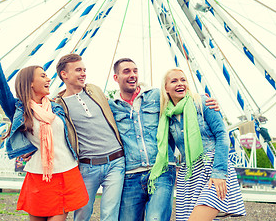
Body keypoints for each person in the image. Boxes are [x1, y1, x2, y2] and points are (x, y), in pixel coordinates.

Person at [0, 21, 88, 221]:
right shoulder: (19, 110)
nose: (48, 79)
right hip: (39, 176)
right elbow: (0, 86)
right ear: (30, 82)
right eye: (43, 76)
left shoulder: (57, 106)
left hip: (66, 172)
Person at [108, 58, 220, 221]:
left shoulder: (157, 96)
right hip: (131, 174)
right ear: (116, 78)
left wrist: (206, 101)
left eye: (135, 70)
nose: (132, 75)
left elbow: (182, 96)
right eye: (126, 71)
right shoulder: (110, 106)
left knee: (155, 218)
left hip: (161, 169)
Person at [150, 68, 246, 221]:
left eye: (183, 80)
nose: (180, 83)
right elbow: (167, 149)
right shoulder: (168, 116)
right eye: (174, 81)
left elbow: (222, 136)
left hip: (214, 168)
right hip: (189, 174)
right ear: (166, 88)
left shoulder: (203, 103)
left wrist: (219, 173)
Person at [55, 53, 125, 221]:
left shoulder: (94, 90)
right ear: (64, 74)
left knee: (110, 214)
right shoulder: (58, 105)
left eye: (84, 70)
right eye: (78, 70)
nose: (83, 73)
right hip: (87, 167)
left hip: (116, 162)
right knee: (81, 214)